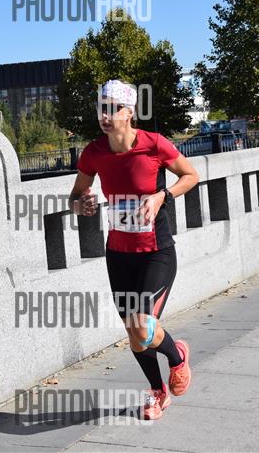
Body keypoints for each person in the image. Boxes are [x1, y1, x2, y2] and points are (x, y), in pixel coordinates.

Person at [69, 80, 200, 420]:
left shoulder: (153, 144)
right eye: (101, 108)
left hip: (157, 251)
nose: (105, 115)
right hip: (119, 254)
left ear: (129, 112)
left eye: (112, 109)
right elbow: (75, 196)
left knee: (142, 326)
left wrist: (161, 196)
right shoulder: (94, 152)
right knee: (134, 333)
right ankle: (157, 392)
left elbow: (191, 176)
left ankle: (177, 357)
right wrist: (81, 205)